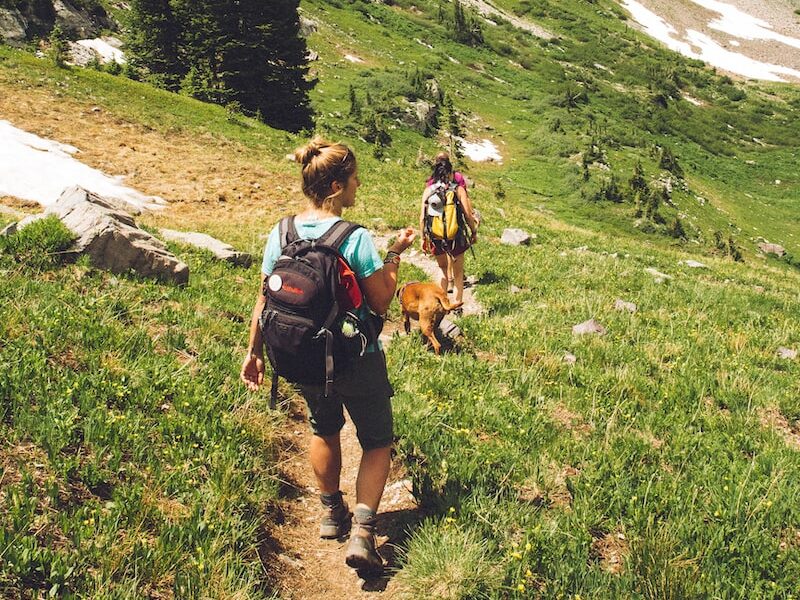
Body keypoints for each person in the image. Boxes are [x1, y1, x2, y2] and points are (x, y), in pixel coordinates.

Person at [240, 137, 416, 574]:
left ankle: (329, 511)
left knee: (324, 428)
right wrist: (394, 254)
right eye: (354, 179)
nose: (359, 186)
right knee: (377, 442)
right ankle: (362, 530)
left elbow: (265, 296)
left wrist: (253, 353)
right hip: (356, 356)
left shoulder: (281, 232)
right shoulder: (353, 237)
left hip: (302, 355)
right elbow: (379, 302)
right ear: (337, 186)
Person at [420, 152, 479, 304]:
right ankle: (457, 306)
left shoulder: (428, 190)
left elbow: (422, 218)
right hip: (456, 236)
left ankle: (442, 304)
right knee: (458, 274)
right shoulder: (458, 189)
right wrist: (473, 232)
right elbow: (467, 214)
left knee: (442, 269)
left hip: (436, 236)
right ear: (451, 171)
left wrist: (422, 238)